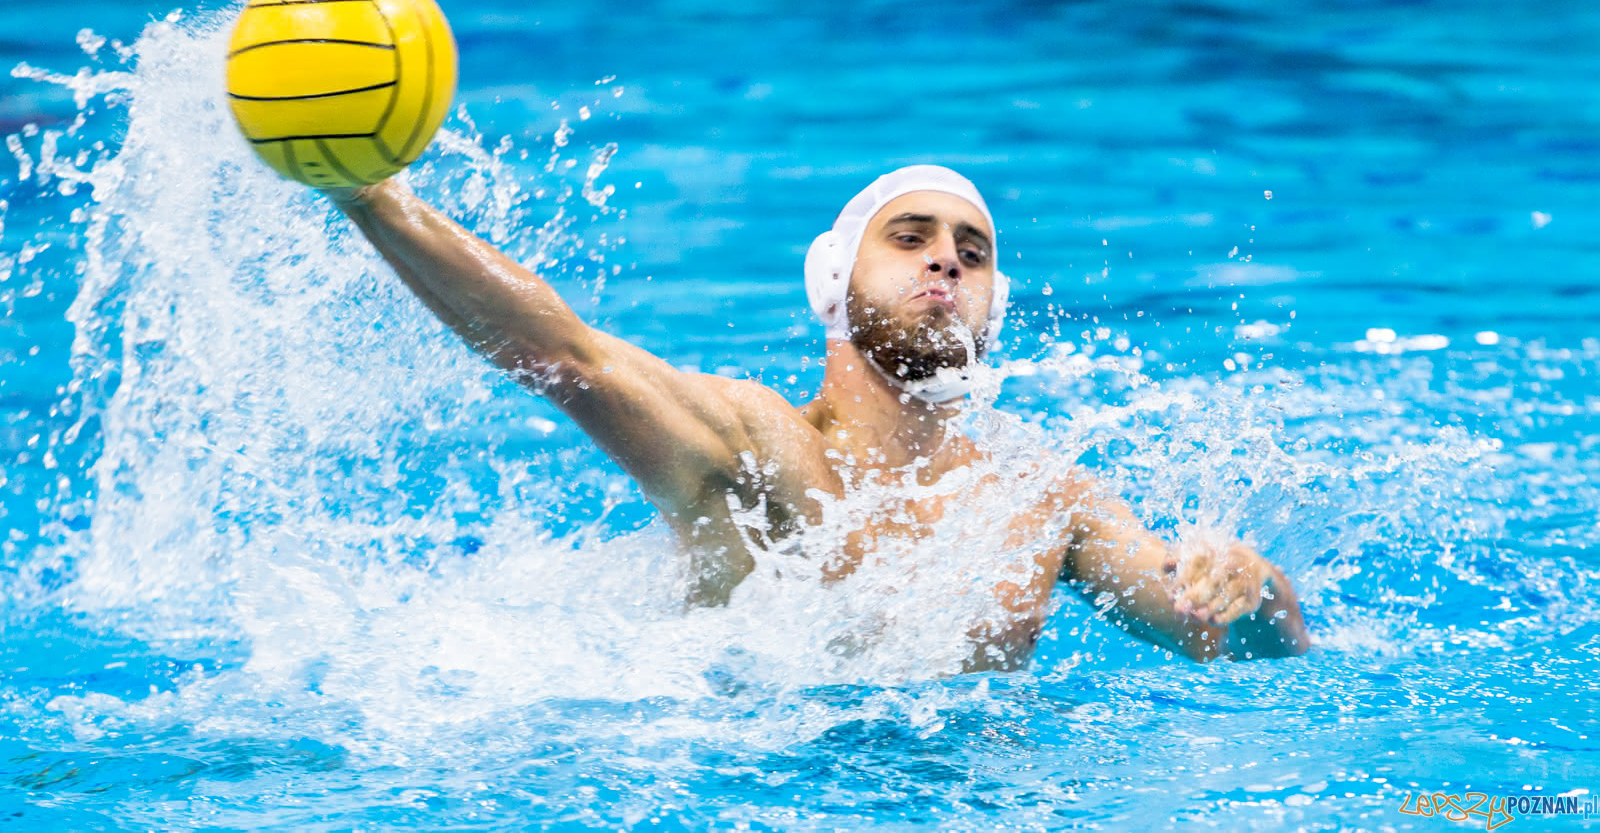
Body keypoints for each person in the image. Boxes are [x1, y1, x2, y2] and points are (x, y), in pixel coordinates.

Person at [327, 164, 1310, 671]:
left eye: (972, 250)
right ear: (834, 284)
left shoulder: (1038, 495)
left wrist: (1245, 584)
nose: (946, 261)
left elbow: (1241, 641)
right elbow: (566, 356)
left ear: (992, 305)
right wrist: (370, 198)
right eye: (911, 237)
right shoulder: (754, 444)